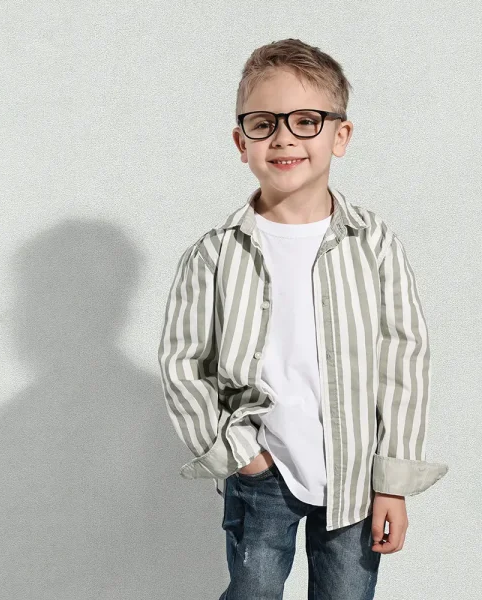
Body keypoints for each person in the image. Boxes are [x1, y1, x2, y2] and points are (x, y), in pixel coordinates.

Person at [157, 38, 449, 599]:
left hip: (354, 478)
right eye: (264, 123)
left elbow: (404, 362)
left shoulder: (375, 244)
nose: (284, 137)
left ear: (341, 135)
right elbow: (182, 363)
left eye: (306, 121)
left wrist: (393, 481)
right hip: (261, 473)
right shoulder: (214, 254)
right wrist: (241, 456)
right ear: (241, 142)